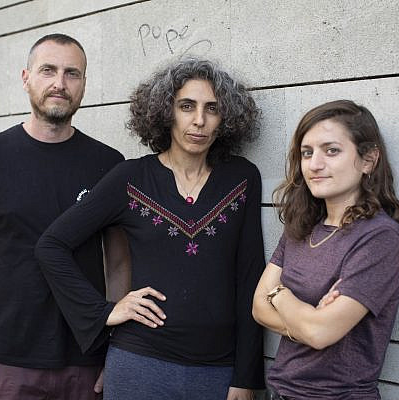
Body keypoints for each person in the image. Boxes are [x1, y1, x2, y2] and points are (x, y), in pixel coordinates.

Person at [35, 58, 265, 400]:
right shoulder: (130, 179)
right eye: (186, 106)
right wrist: (106, 311)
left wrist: (246, 378)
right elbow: (51, 245)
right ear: (166, 112)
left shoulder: (242, 178)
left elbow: (250, 278)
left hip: (218, 371)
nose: (199, 120)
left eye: (212, 109)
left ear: (225, 118)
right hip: (139, 366)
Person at [0, 33, 128, 400]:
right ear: (26, 77)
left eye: (72, 73)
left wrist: (114, 351)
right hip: (5, 367)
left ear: (84, 84)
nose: (60, 83)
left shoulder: (108, 165)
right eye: (48, 70)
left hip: (86, 366)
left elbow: (118, 262)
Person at [252, 100, 399, 399]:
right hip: (282, 393)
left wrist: (279, 295)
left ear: (368, 160)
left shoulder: (379, 238)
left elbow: (321, 334)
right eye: (307, 153)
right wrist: (307, 318)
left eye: (331, 151)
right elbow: (258, 308)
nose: (314, 164)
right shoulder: (302, 226)